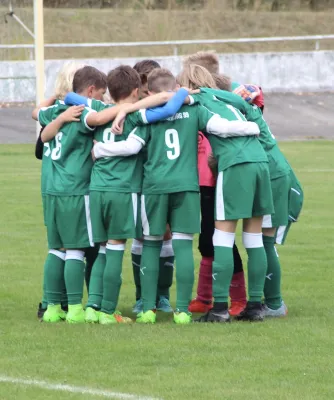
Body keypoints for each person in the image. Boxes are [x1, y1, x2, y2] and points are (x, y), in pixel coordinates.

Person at [93, 67, 260, 324]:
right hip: (187, 187)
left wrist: (100, 150)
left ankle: (148, 309)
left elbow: (133, 146)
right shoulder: (194, 109)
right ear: (175, 87)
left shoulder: (145, 113)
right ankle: (181, 310)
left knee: (150, 244)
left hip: (155, 187)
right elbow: (222, 127)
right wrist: (252, 127)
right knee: (182, 246)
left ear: (149, 92)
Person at [57, 65, 198, 323]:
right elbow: (159, 116)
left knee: (101, 250)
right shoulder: (139, 115)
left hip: (97, 188)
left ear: (109, 91)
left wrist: (102, 142)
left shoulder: (99, 109)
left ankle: (93, 306)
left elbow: (69, 97)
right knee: (115, 249)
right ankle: (109, 312)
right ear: (136, 90)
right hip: (123, 190)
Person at [177, 64, 274, 322]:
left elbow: (218, 126)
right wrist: (254, 131)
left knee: (222, 237)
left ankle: (219, 309)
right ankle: (255, 305)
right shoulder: (229, 96)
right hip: (259, 162)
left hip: (235, 165)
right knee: (253, 239)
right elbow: (256, 113)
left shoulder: (194, 100)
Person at [32, 61, 100, 320]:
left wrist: (55, 99)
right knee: (76, 250)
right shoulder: (81, 114)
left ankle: (50, 306)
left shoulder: (51, 114)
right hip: (75, 189)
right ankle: (74, 308)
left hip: (50, 189)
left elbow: (35, 113)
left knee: (55, 249)